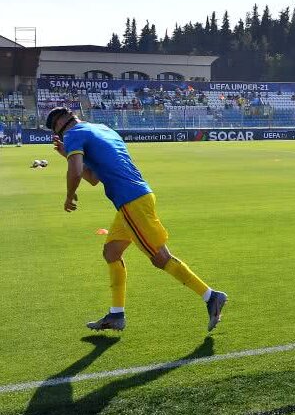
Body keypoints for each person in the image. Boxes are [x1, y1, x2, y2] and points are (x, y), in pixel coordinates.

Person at [47, 106, 227, 332]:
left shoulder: (74, 134)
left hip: (132, 202)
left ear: (60, 124)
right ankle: (116, 315)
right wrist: (67, 154)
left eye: (54, 129)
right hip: (134, 200)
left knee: (160, 258)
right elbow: (93, 178)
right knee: (111, 252)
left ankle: (211, 296)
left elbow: (75, 172)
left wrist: (69, 196)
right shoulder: (103, 129)